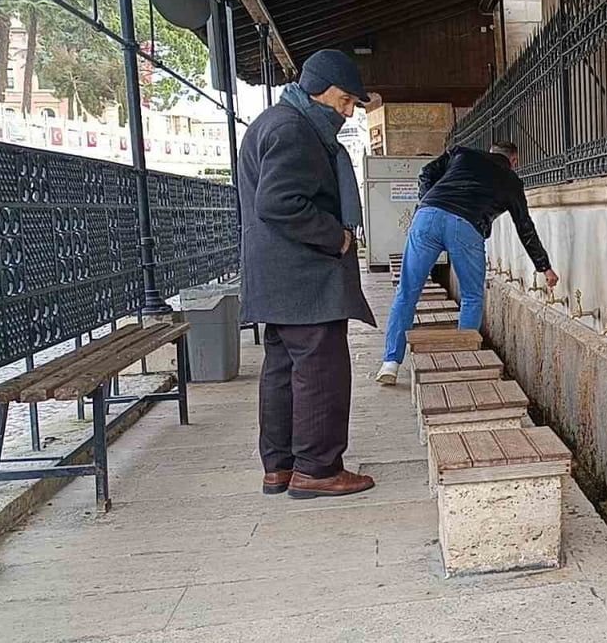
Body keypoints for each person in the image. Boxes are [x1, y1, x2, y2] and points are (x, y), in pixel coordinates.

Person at [238, 49, 377, 499]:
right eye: (345, 101)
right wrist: (337, 237)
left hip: (279, 278)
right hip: (304, 278)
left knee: (282, 372)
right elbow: (278, 203)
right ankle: (317, 469)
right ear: (320, 90)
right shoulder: (294, 129)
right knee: (322, 372)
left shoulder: (274, 122)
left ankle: (280, 467)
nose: (348, 112)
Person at [376, 142, 558, 384]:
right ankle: (463, 360)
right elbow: (525, 227)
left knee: (406, 293)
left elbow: (426, 172)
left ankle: (390, 363)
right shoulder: (511, 180)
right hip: (466, 226)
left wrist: (427, 200)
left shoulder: (462, 153)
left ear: (491, 152)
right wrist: (544, 266)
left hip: (427, 218)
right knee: (472, 296)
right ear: (514, 161)